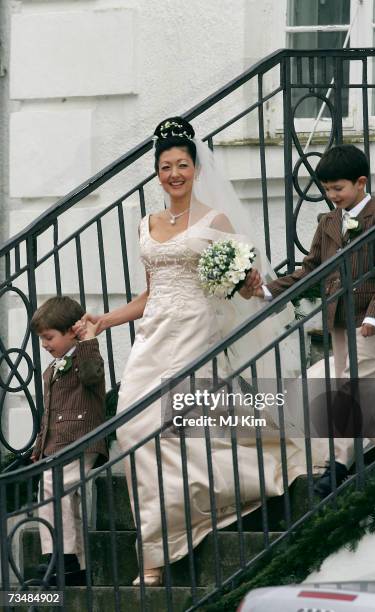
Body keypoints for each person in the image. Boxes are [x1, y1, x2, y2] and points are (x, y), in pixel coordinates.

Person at [76, 116, 330, 586]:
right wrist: (105, 319)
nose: (174, 173)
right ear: (157, 172)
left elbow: (243, 287)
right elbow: (150, 292)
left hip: (197, 335)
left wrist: (254, 285)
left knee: (173, 431)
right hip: (153, 337)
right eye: (166, 166)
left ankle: (156, 554)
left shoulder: (216, 221)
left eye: (182, 165)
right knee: (132, 430)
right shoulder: (145, 224)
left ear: (195, 169)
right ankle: (162, 536)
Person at [249, 144, 375, 497]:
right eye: (327, 190)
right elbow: (312, 268)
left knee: (350, 392)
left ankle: (336, 466)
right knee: (361, 394)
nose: (332, 196)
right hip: (339, 320)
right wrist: (270, 290)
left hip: (371, 323)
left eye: (338, 189)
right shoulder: (329, 222)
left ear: (361, 183)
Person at [30, 296, 108, 582]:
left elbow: (91, 377)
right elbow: (48, 414)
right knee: (65, 497)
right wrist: (40, 447)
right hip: (57, 443)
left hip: (81, 438)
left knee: (54, 485)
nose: (45, 344)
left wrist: (88, 340)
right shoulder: (52, 369)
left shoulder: (85, 357)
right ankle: (77, 566)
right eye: (41, 339)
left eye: (49, 337)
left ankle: (59, 557)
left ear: (71, 332)